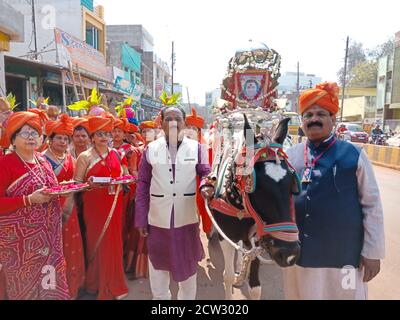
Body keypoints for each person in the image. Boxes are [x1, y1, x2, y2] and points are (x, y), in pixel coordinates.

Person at [283, 82, 385, 300]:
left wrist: (373, 253)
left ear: (333, 119)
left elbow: (372, 205)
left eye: (320, 113)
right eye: (308, 115)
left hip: (344, 257)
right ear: (302, 122)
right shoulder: (290, 156)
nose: (313, 119)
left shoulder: (354, 154)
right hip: (300, 256)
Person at [135, 106, 212, 300]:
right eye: (168, 118)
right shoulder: (150, 149)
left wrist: (206, 185)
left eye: (177, 118)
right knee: (158, 269)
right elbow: (143, 184)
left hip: (186, 219)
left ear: (184, 123)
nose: (173, 122)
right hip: (158, 219)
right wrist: (141, 218)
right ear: (160, 123)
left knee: (188, 269)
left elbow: (205, 173)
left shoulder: (197, 148)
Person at [0, 112, 70, 300]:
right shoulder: (5, 164)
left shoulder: (42, 161)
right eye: (25, 133)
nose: (31, 137)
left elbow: (50, 189)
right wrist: (28, 199)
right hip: (20, 247)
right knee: (24, 288)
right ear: (13, 139)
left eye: (35, 133)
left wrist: (62, 189)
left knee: (50, 284)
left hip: (49, 240)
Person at [74, 114, 128, 300]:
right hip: (94, 205)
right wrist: (89, 184)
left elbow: (125, 175)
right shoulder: (84, 157)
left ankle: (114, 282)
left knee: (114, 242)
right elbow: (77, 184)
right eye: (99, 134)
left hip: (115, 202)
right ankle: (95, 283)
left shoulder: (117, 154)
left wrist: (124, 180)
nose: (104, 137)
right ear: (92, 137)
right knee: (96, 241)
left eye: (107, 133)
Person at [43, 114, 85, 300]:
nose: (62, 141)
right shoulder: (42, 159)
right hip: (48, 210)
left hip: (69, 208)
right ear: (50, 140)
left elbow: (76, 182)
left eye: (65, 138)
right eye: (58, 137)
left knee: (71, 248)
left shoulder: (70, 159)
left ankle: (72, 287)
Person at [124, 120, 157, 279]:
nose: (145, 134)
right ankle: (139, 267)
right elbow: (133, 171)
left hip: (159, 196)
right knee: (140, 229)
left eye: (149, 131)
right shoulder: (136, 151)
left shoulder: (162, 151)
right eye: (143, 131)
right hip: (143, 194)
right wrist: (146, 184)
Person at [184, 108, 212, 237]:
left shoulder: (206, 149)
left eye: (194, 129)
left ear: (199, 132)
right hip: (183, 187)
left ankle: (209, 233)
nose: (190, 131)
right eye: (188, 127)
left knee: (205, 211)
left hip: (200, 184)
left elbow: (208, 171)